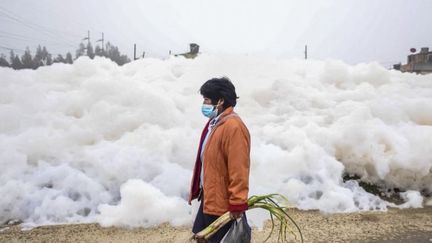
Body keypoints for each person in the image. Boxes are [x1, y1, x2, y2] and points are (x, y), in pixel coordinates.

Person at [189, 77, 251, 242]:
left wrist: (237, 202)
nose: (204, 104)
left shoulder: (234, 127)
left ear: (221, 100)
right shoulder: (215, 123)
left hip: (221, 206)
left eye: (207, 100)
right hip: (209, 199)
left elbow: (239, 168)